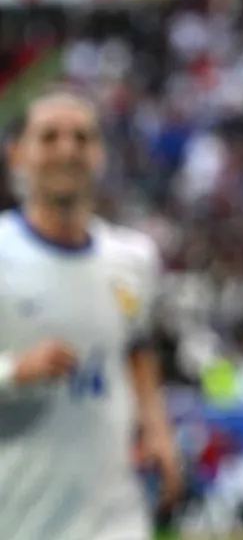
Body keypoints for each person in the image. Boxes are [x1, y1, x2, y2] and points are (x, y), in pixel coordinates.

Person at [0, 89, 182, 540]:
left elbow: (136, 346)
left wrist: (156, 429)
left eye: (82, 138)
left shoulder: (133, 258)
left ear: (99, 154)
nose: (68, 149)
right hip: (20, 510)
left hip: (114, 513)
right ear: (18, 154)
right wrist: (13, 371)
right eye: (50, 137)